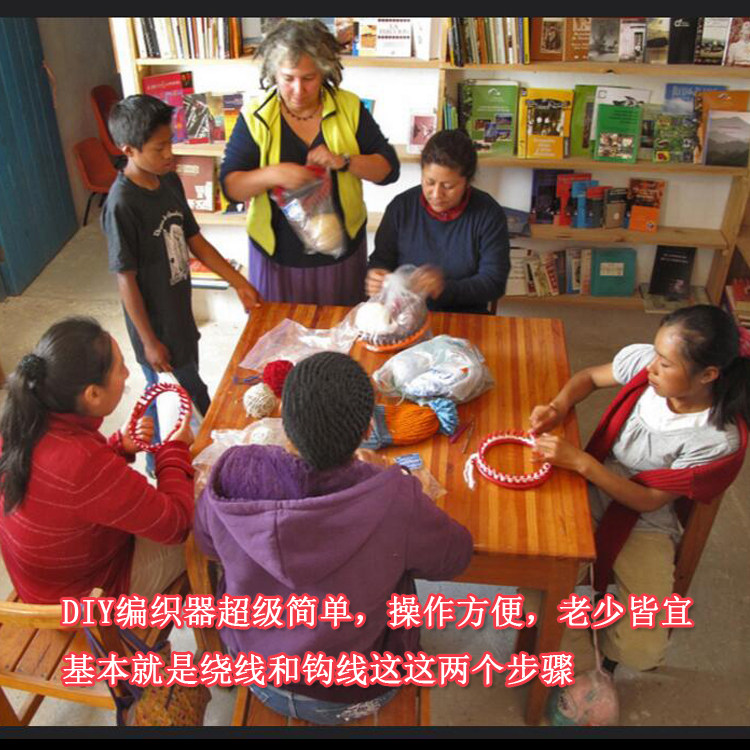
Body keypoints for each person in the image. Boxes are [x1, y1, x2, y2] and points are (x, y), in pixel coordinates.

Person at [194, 351, 473, 725]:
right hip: (355, 691)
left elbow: (207, 544)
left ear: (283, 417)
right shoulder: (394, 497)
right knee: (399, 573)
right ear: (367, 431)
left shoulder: (234, 474)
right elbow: (454, 557)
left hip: (259, 674)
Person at [526, 305, 750, 676]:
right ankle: (587, 667)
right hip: (587, 493)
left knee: (643, 648)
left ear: (709, 374)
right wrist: (557, 405)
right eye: (656, 353)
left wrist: (581, 462)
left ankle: (598, 650)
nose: (652, 367)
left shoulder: (715, 438)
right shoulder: (648, 367)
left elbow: (647, 500)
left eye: (666, 363)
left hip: (646, 520)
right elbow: (589, 377)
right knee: (536, 588)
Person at [102, 94, 260, 474]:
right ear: (129, 150)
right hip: (155, 328)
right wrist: (148, 341)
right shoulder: (121, 204)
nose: (169, 154)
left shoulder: (169, 180)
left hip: (179, 317)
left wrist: (238, 281)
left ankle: (157, 461)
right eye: (159, 148)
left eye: (169, 142)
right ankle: (169, 467)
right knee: (187, 396)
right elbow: (125, 279)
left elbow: (195, 240)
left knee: (167, 394)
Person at [0, 317, 195, 604]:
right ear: (92, 394)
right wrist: (174, 449)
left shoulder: (20, 424)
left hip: (43, 585)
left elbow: (71, 493)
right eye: (120, 368)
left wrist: (116, 447)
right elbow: (177, 525)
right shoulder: (83, 461)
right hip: (85, 598)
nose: (127, 374)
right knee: (204, 528)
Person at [220, 19, 400, 306]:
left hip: (341, 255)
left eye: (308, 78)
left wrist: (343, 161)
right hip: (277, 258)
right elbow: (231, 187)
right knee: (279, 330)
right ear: (273, 73)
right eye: (288, 78)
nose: (298, 90)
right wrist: (273, 174)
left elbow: (388, 170)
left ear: (324, 71)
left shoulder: (349, 108)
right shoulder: (256, 116)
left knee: (341, 330)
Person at [366, 129, 510, 314]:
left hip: (467, 316)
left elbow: (494, 282)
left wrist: (443, 289)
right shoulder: (402, 207)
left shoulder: (488, 214)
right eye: (429, 182)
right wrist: (377, 276)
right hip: (403, 313)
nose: (436, 194)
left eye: (448, 186)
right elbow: (381, 260)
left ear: (467, 182)